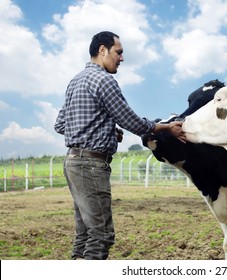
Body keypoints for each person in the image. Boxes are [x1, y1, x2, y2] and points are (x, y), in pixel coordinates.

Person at [54, 31, 186, 260]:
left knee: (84, 234)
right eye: (119, 52)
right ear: (102, 50)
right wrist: (165, 128)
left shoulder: (75, 81)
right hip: (91, 166)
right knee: (101, 235)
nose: (122, 58)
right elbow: (132, 121)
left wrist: (105, 130)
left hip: (73, 163)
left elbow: (60, 125)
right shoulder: (104, 81)